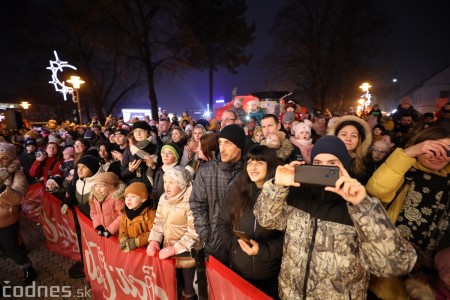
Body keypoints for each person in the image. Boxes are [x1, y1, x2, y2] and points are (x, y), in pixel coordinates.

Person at [253, 135, 417, 299]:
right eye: (317, 163)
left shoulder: (359, 204)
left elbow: (395, 265)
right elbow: (266, 220)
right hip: (290, 295)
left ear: (345, 166)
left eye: (333, 164)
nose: (324, 169)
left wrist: (362, 205)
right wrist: (277, 186)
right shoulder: (298, 194)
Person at [366, 125, 450, 299]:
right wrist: (408, 153)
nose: (439, 156)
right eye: (433, 150)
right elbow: (376, 189)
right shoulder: (403, 171)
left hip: (435, 279)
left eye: (447, 151)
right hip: (389, 263)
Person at [217, 145, 283, 298]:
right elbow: (222, 222)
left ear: (270, 165)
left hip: (270, 274)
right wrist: (234, 246)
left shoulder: (281, 196)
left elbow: (288, 237)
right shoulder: (238, 191)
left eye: (259, 163)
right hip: (239, 271)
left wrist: (262, 250)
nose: (253, 167)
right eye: (250, 162)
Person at [190, 124, 245, 263]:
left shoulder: (249, 172)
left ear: (239, 146)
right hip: (213, 243)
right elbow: (197, 205)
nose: (222, 148)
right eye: (220, 142)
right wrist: (206, 236)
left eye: (228, 143)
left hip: (242, 245)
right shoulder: (206, 171)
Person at [147, 166, 198, 300]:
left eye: (171, 182)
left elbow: (194, 233)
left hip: (188, 257)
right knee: (173, 286)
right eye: (165, 182)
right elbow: (158, 222)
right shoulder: (164, 199)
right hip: (169, 254)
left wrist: (174, 249)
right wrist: (154, 240)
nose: (167, 186)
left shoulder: (191, 202)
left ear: (181, 183)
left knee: (189, 290)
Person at [0, 143, 36, 285]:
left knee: (11, 248)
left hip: (7, 219)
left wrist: (2, 188)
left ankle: (28, 269)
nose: (0, 161)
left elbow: (18, 198)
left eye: (4, 158)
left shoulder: (17, 174)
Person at [328, 115, 372, 184]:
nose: (348, 139)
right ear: (335, 136)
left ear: (359, 140)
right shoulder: (325, 157)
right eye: (344, 134)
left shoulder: (366, 164)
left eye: (354, 136)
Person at [121, 121, 159, 197]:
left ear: (147, 132)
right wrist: (130, 170)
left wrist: (153, 166)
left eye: (141, 131)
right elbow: (122, 174)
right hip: (134, 189)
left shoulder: (156, 149)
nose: (138, 134)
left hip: (152, 188)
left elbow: (162, 172)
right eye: (135, 131)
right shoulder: (129, 150)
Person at [119, 182, 156, 252]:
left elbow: (154, 232)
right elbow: (122, 226)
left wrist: (137, 242)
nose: (128, 200)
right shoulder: (125, 212)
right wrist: (123, 238)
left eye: (133, 196)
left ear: (143, 199)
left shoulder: (150, 214)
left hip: (146, 250)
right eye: (127, 196)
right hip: (131, 249)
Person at [90, 172, 125, 238]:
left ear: (110, 186)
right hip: (105, 231)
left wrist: (110, 229)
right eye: (96, 185)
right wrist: (98, 225)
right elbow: (93, 213)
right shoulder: (94, 196)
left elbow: (122, 215)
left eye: (101, 186)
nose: (98, 189)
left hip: (118, 233)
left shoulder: (117, 197)